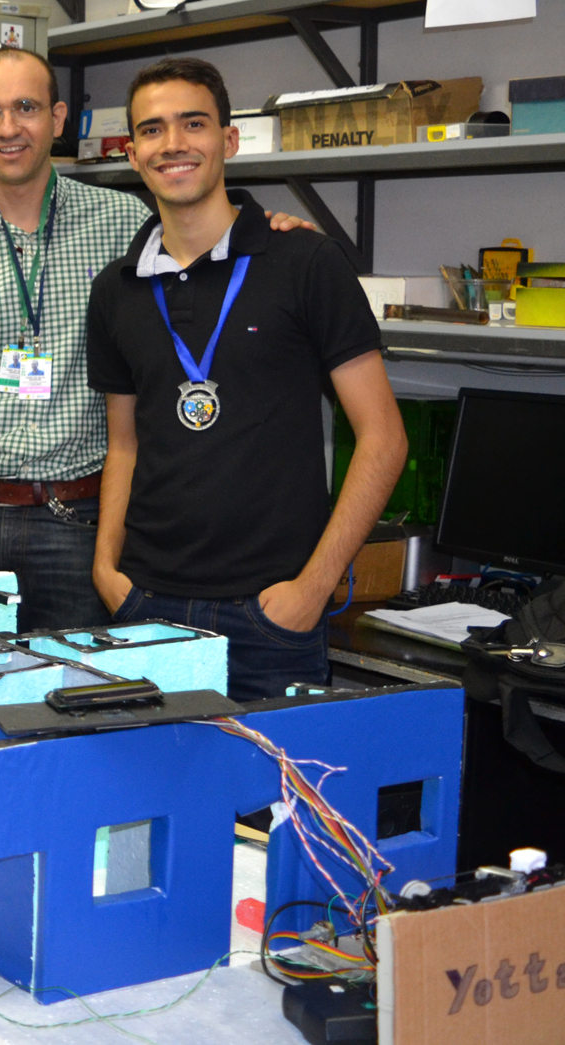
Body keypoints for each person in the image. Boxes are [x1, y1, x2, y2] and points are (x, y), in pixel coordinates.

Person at [0, 47, 313, 633]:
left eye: (26, 108)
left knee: (79, 687)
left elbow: (212, 249)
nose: (8, 128)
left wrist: (273, 232)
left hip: (81, 522)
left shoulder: (128, 226)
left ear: (58, 118)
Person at [87, 57, 406, 702]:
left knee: (274, 775)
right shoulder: (116, 289)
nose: (173, 143)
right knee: (150, 771)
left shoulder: (305, 262)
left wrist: (313, 587)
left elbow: (384, 440)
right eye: (151, 129)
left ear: (228, 140)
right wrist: (105, 568)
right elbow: (124, 445)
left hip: (272, 614)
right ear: (133, 153)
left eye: (193, 123)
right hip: (145, 608)